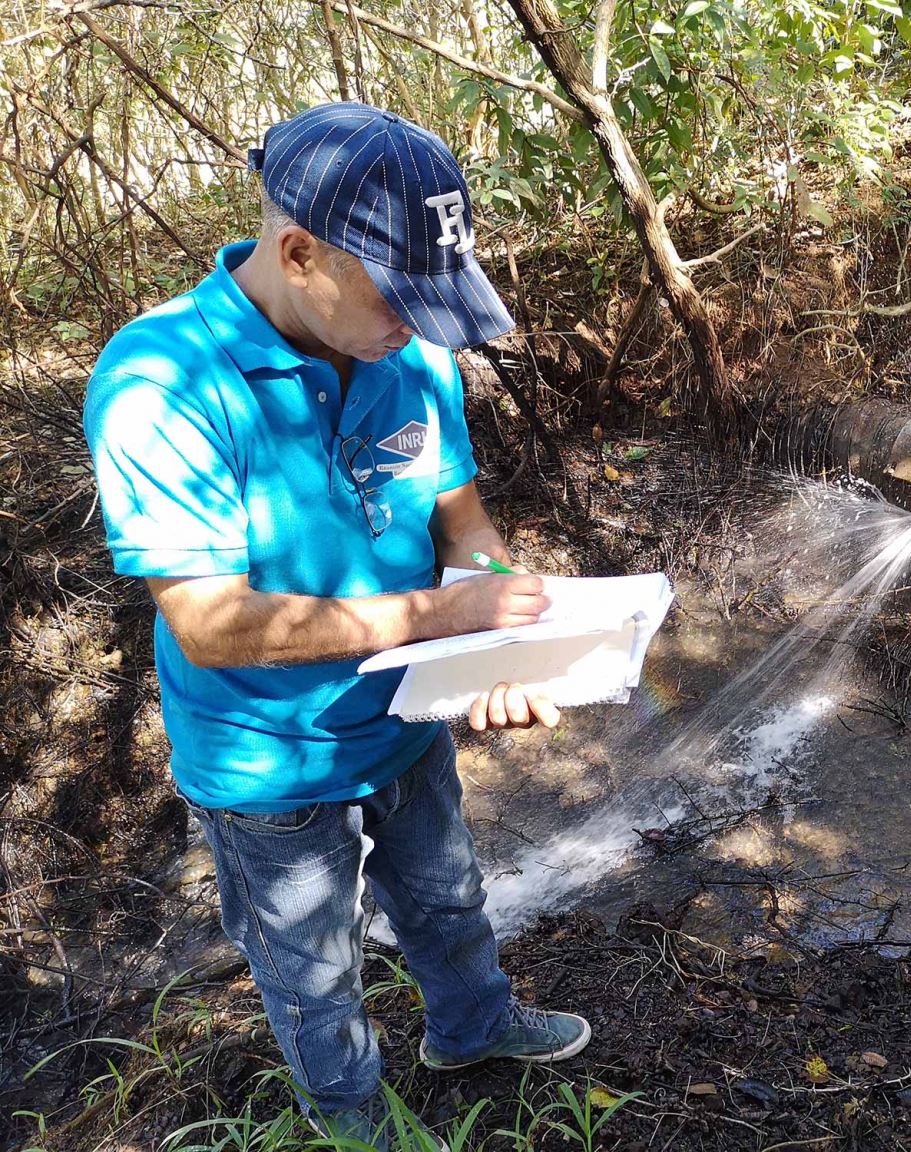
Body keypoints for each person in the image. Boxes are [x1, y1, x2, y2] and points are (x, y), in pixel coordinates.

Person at [83, 103, 589, 1149]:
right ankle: (357, 1123)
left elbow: (463, 522)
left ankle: (473, 1029)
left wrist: (494, 634)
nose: (420, 323)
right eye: (400, 295)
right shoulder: (160, 382)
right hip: (269, 765)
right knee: (314, 974)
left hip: (406, 719)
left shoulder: (413, 353)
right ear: (299, 253)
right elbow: (211, 623)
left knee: (449, 898)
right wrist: (439, 614)